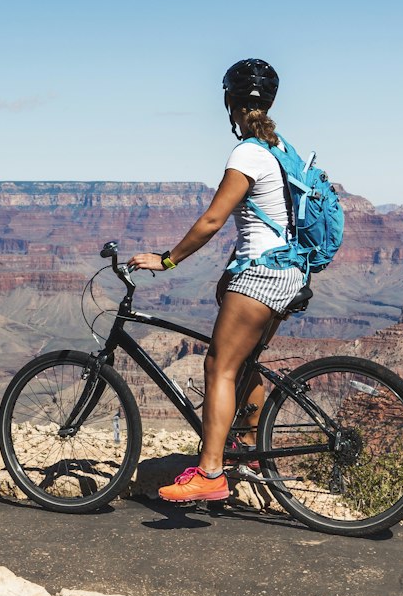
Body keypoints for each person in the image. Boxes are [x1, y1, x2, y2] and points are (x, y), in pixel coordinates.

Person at [128, 58, 308, 503]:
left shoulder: (247, 153)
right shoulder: (280, 148)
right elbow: (269, 221)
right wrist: (231, 271)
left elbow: (212, 220)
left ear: (229, 101)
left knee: (218, 367)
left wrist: (167, 261)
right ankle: (248, 452)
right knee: (244, 365)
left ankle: (211, 473)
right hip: (287, 270)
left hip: (262, 276)